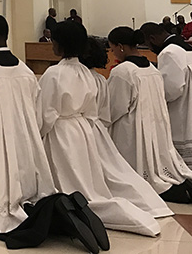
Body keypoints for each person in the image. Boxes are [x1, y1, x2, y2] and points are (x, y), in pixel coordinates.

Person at [0, 14, 107, 253]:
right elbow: (38, 112)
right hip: (26, 144)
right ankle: (62, 208)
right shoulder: (25, 71)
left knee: (2, 216)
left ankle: (59, 211)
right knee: (27, 199)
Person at [39, 21, 162, 237]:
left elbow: (46, 113)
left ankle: (75, 210)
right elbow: (94, 110)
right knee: (84, 180)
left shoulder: (53, 74)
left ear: (59, 44)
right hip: (83, 129)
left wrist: (39, 134)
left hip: (61, 131)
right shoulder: (88, 73)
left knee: (67, 179)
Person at [107, 26, 192, 205]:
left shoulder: (124, 71)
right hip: (160, 118)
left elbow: (115, 107)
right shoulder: (153, 67)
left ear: (120, 46)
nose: (112, 52)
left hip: (142, 123)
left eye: (112, 48)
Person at [140, 22, 192, 173]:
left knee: (190, 163)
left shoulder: (169, 53)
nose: (150, 49)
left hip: (184, 110)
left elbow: (171, 89)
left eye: (148, 45)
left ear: (152, 39)